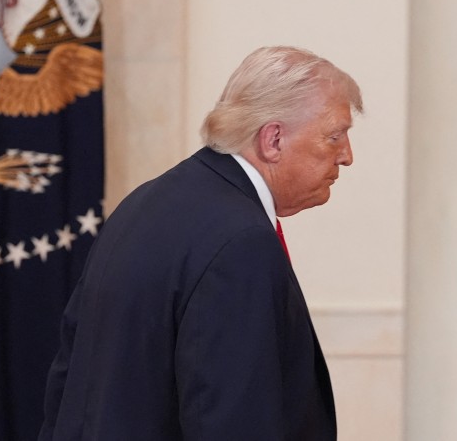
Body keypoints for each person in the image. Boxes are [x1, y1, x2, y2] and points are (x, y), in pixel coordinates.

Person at [38, 45, 362, 440]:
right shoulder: (241, 242)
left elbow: (67, 382)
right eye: (334, 136)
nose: (346, 156)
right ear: (273, 139)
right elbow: (235, 420)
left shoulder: (142, 204)